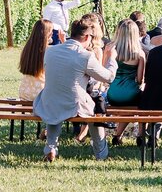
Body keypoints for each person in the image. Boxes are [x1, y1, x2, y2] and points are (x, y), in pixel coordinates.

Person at [33, 19, 115, 161]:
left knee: (55, 106)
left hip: (48, 101)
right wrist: (112, 60)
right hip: (74, 103)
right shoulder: (85, 56)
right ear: (87, 37)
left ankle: (51, 147)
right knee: (95, 110)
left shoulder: (50, 51)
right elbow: (108, 77)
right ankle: (101, 153)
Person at [18, 19, 54, 102]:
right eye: (51, 31)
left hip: (25, 91)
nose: (52, 33)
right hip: (41, 92)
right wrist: (64, 41)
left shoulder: (27, 49)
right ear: (47, 34)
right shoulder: (49, 51)